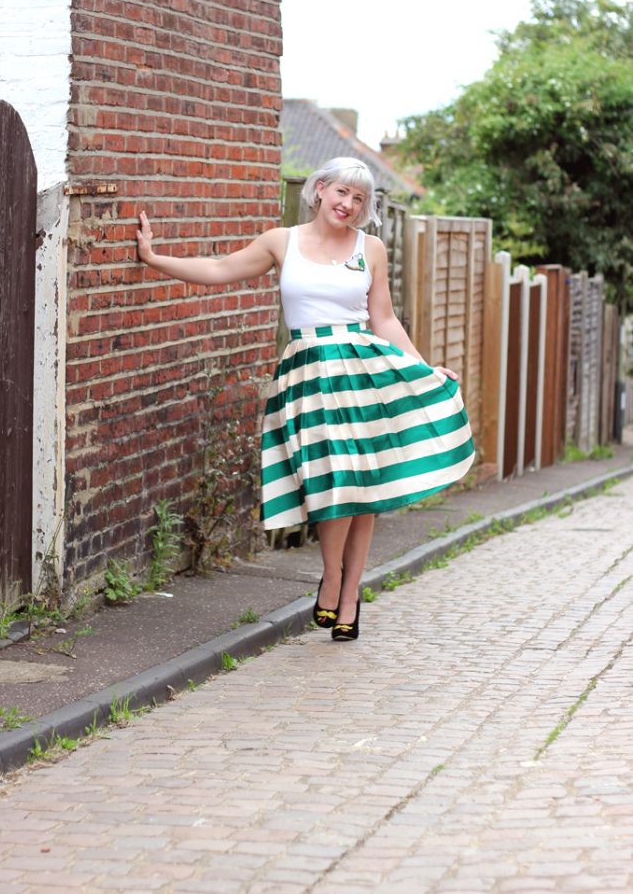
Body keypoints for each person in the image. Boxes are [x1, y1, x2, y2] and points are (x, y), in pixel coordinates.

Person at [136, 157, 474, 641]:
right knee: (331, 480)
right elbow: (219, 268)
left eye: (359, 199)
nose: (348, 205)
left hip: (364, 371)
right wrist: (154, 259)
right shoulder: (282, 241)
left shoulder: (371, 248)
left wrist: (422, 367)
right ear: (319, 190)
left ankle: (349, 591)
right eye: (341, 192)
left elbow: (385, 319)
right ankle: (332, 574)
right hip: (308, 375)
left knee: (363, 486)